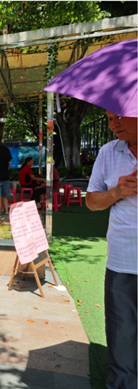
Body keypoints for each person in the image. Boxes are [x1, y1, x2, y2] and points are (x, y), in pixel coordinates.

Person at [86, 111, 137, 389]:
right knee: (121, 335)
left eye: (120, 116)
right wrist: (117, 192)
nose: (113, 123)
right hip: (122, 261)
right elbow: (92, 201)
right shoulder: (108, 152)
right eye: (108, 118)